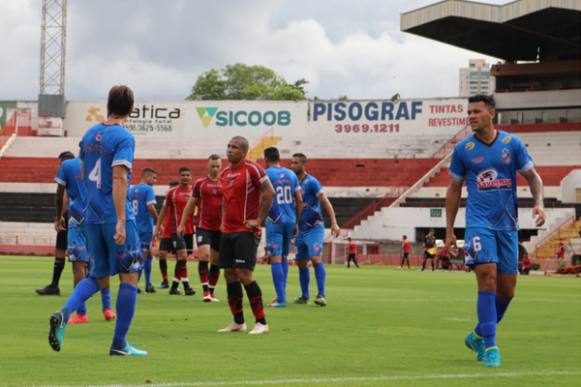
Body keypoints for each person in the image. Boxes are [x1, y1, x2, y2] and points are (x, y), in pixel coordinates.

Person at [446, 94, 545, 368]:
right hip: (479, 223)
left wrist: (538, 204)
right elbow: (454, 189)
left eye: (476, 111)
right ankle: (491, 347)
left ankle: (478, 334)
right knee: (487, 277)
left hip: (508, 225)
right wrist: (450, 230)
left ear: (491, 113)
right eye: (468, 112)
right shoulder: (463, 149)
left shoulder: (511, 144)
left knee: (508, 291)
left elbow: (533, 177)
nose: (471, 116)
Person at [48, 85, 148, 356]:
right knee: (129, 275)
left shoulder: (89, 135)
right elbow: (118, 177)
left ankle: (64, 313)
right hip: (113, 215)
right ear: (131, 109)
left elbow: (83, 172)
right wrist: (119, 220)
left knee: (98, 275)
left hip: (91, 217)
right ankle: (119, 344)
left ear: (108, 105)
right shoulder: (124, 137)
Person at [218, 136, 274, 335]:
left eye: (234, 147)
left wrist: (258, 220)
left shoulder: (253, 169)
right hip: (229, 231)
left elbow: (269, 193)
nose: (230, 150)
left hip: (246, 231)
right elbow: (226, 200)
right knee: (229, 274)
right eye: (228, 146)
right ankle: (238, 321)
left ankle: (261, 322)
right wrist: (223, 223)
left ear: (244, 151)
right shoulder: (224, 173)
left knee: (244, 275)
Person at [54, 151, 116, 324]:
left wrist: (58, 215)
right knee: (101, 265)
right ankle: (107, 308)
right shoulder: (104, 163)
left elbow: (60, 195)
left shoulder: (67, 165)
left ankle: (81, 313)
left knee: (78, 267)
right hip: (98, 219)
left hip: (77, 218)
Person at [290, 153, 341, 306]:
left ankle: (321, 294)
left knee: (315, 258)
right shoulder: (292, 182)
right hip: (300, 228)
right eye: (291, 163)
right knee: (301, 262)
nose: (292, 166)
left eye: (296, 163)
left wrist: (334, 222)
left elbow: (325, 201)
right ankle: (304, 296)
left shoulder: (311, 182)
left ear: (303, 165)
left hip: (314, 227)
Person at [178, 154, 223, 302]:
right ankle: (205, 292)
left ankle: (211, 291)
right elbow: (190, 204)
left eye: (217, 166)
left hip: (221, 228)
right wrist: (182, 223)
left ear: (221, 166)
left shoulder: (226, 183)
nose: (215, 169)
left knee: (216, 261)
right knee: (204, 255)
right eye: (212, 166)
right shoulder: (200, 183)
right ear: (208, 166)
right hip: (204, 226)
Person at [263, 146, 303, 307]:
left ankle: (280, 299)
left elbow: (264, 197)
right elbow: (299, 200)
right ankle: (282, 294)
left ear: (266, 159)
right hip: (290, 219)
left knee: (275, 258)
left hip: (275, 220)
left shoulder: (266, 174)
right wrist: (297, 221)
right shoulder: (291, 174)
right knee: (284, 257)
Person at [35, 152, 73, 296]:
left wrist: (59, 216)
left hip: (70, 215)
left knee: (60, 249)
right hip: (85, 215)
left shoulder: (67, 171)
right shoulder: (82, 170)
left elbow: (63, 197)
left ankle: (54, 285)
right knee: (84, 251)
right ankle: (87, 285)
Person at [155, 167, 195, 296]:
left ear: (191, 177)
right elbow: (163, 210)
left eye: (187, 175)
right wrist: (158, 227)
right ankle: (186, 286)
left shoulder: (194, 192)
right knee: (180, 256)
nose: (185, 177)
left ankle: (174, 286)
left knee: (182, 259)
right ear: (179, 176)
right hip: (175, 229)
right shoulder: (172, 192)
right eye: (183, 175)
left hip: (189, 230)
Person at [128, 168, 159, 293]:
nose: (155, 181)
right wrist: (158, 221)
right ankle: (134, 285)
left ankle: (148, 283)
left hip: (133, 226)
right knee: (143, 256)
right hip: (145, 227)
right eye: (154, 178)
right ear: (147, 177)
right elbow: (150, 206)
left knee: (148, 254)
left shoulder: (131, 189)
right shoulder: (148, 189)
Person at [157, 180, 179, 288]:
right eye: (170, 188)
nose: (171, 191)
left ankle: (177, 281)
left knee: (181, 257)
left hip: (178, 231)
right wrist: (158, 227)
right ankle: (165, 280)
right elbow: (162, 212)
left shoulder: (181, 199)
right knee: (162, 254)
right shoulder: (167, 200)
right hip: (167, 231)